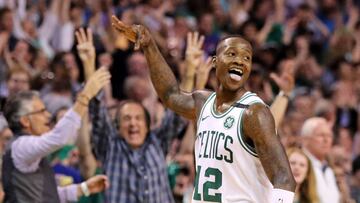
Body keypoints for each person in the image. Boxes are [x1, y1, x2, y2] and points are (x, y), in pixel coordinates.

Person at [111, 16, 296, 202]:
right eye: (232, 54)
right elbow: (169, 94)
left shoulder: (254, 113)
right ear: (215, 62)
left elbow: (284, 179)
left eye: (246, 57)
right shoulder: (203, 102)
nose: (240, 61)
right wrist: (149, 45)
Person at [74, 27, 187, 203]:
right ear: (117, 127)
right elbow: (96, 108)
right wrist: (89, 64)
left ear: (148, 126)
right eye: (127, 119)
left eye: (138, 118)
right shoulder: (110, 146)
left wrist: (190, 72)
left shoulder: (158, 142)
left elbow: (179, 111)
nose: (133, 123)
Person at [1, 67, 110, 203]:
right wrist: (85, 96)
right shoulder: (21, 146)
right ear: (25, 120)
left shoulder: (28, 150)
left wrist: (84, 188)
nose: (48, 115)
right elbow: (59, 138)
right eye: (41, 111)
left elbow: (45, 195)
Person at [301, 117, 341, 203]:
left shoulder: (329, 169)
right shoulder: (299, 165)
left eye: (329, 136)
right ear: (305, 139)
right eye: (321, 135)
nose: (326, 140)